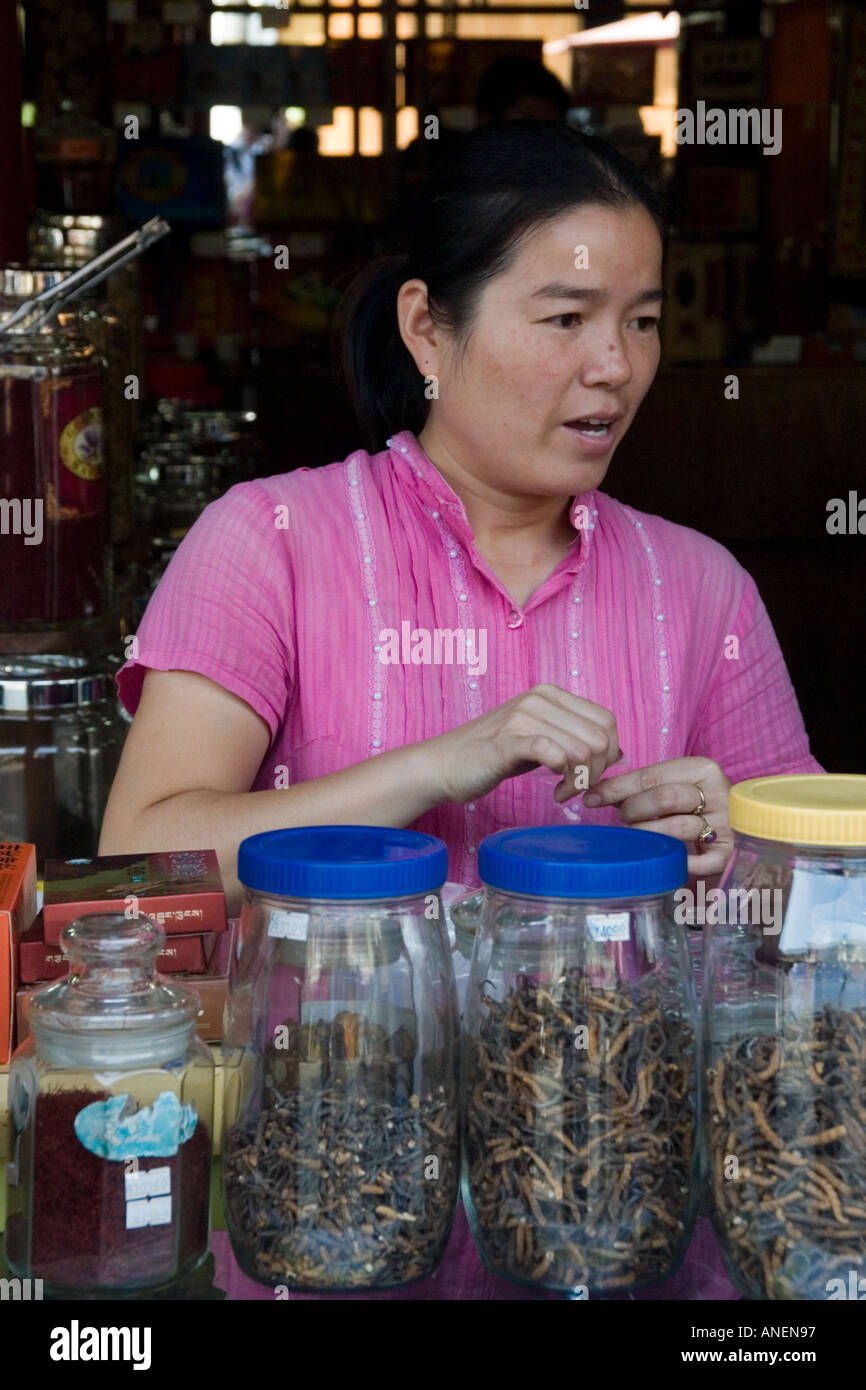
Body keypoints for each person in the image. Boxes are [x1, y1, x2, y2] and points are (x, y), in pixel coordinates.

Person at [102, 120, 823, 1300]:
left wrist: (731, 845)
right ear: (428, 327)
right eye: (565, 320)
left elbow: (814, 930)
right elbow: (146, 861)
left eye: (640, 321)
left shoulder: (698, 586)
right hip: (342, 1229)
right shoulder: (273, 543)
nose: (615, 366)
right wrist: (449, 760)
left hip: (625, 1234)